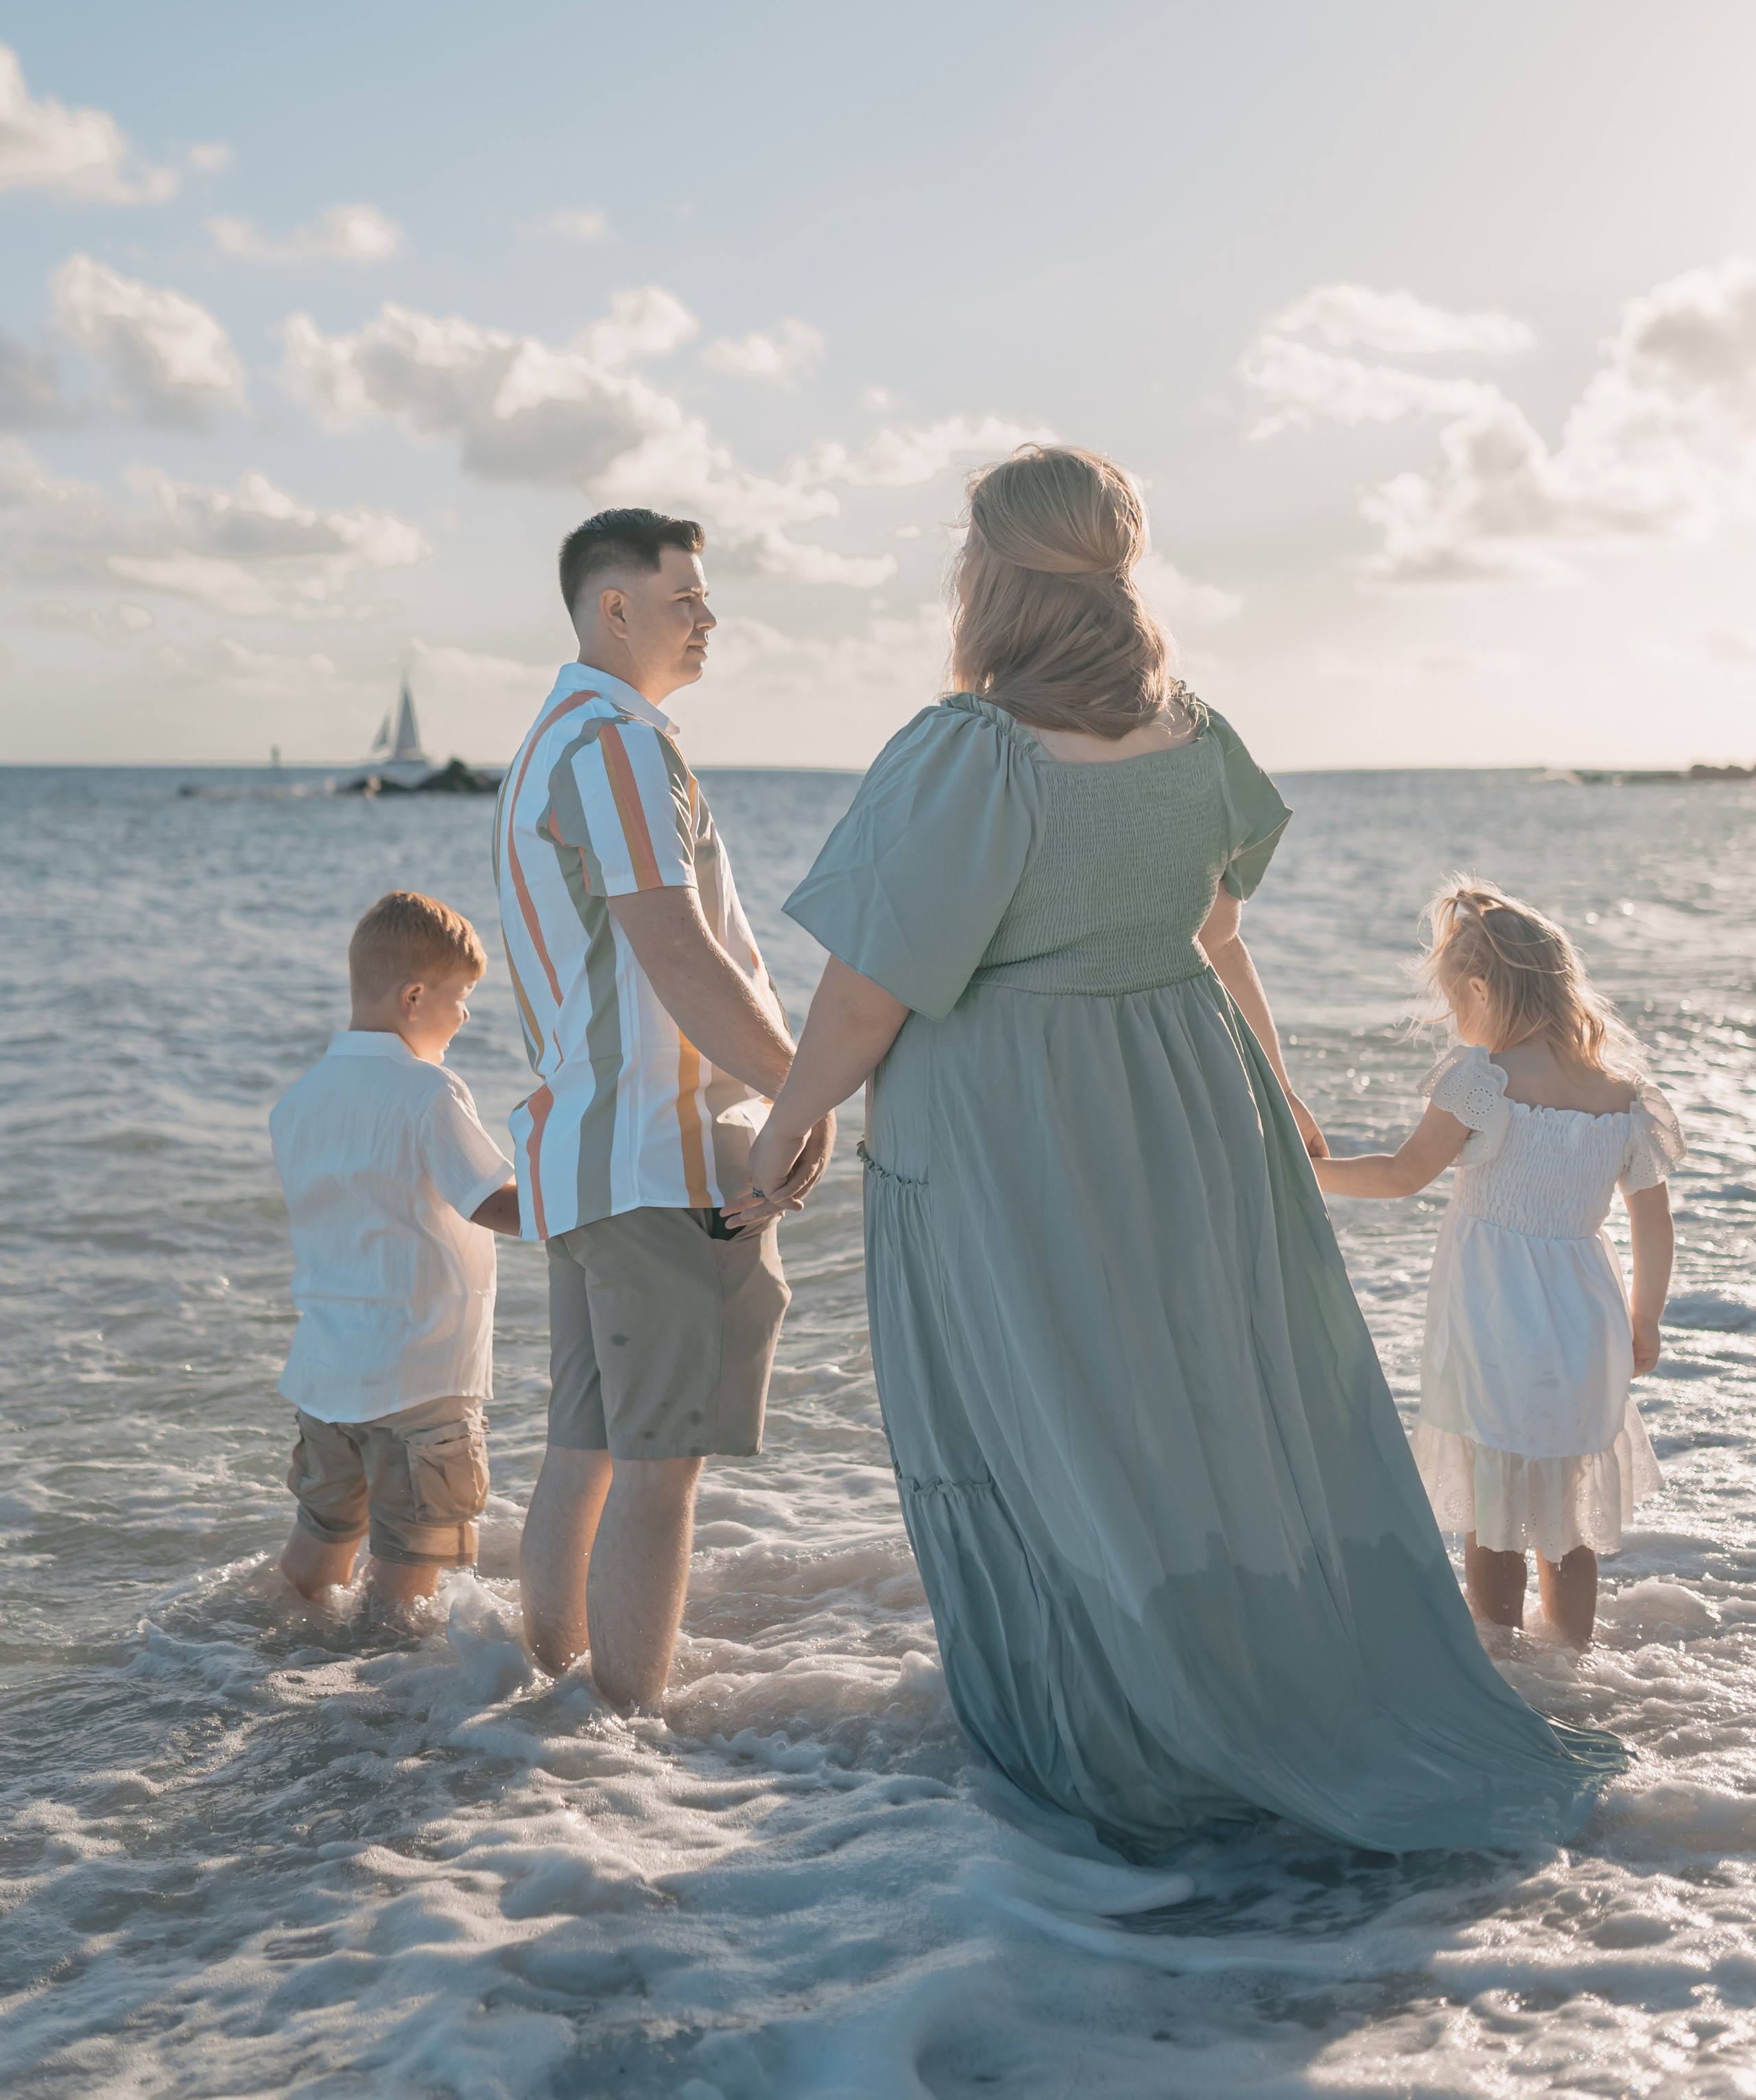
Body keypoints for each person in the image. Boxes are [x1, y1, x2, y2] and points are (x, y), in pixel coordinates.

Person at [748, 444, 1623, 1858]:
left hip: (1010, 1125)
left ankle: (1102, 1712)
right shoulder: (1194, 736)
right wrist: (1273, 1098)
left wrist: (788, 1125)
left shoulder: (963, 754)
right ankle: (1242, 1675)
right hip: (1186, 1100)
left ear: (987, 576)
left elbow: (865, 993)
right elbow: (1219, 942)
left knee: (1037, 1413)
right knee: (1192, 1412)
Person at [497, 507, 834, 1708]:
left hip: (588, 1164)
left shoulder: (551, 745)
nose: (708, 621)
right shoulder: (617, 748)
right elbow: (680, 955)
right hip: (655, 1160)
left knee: (585, 1451)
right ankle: (623, 1747)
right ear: (614, 609)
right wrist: (805, 1092)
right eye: (684, 599)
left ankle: (545, 1716)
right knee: (657, 1470)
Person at [1311, 883, 1681, 1648]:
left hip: (1494, 1328)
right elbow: (1653, 1218)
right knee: (1565, 1517)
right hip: (1588, 1327)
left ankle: (1502, 1659)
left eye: (1455, 1005)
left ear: (1480, 990)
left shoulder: (1482, 1083)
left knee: (1493, 1513)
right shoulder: (1622, 1096)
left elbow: (1401, 1175)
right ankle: (1569, 1665)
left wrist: (1306, 1168)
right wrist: (1644, 1319)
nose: (1456, 1022)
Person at [272, 891, 523, 1609]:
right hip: (423, 1379)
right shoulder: (430, 1091)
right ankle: (377, 1715)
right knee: (408, 1578)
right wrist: (588, 1207)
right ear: (415, 996)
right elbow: (492, 1202)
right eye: (462, 997)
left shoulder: (299, 1101)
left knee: (317, 1551)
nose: (466, 1016)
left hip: (327, 1379)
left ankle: (259, 1676)